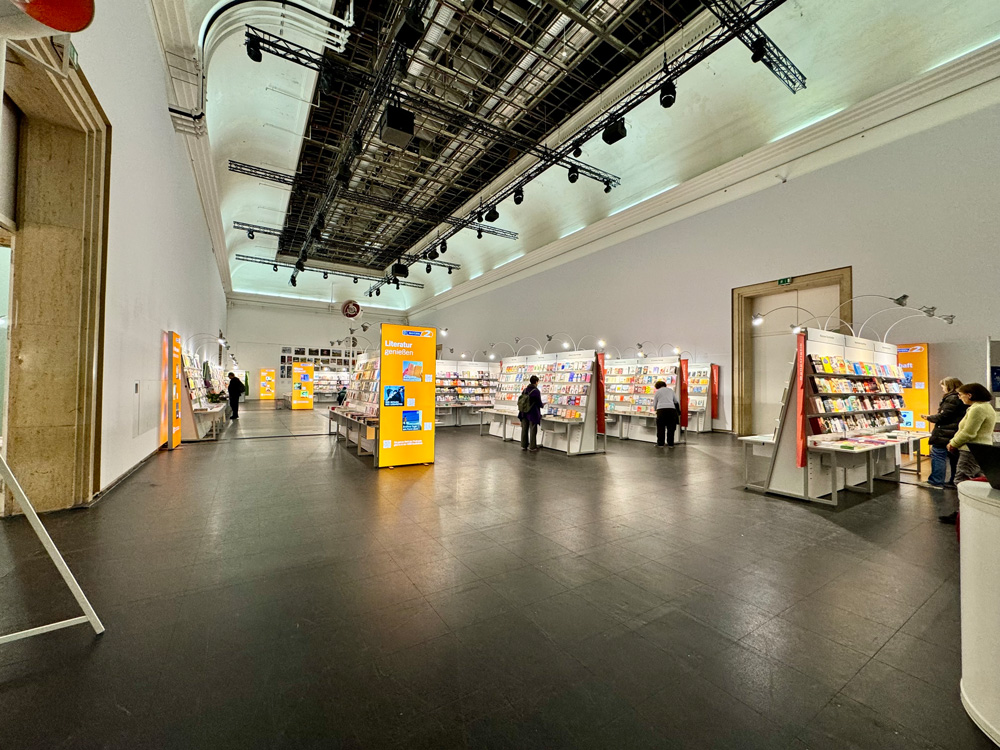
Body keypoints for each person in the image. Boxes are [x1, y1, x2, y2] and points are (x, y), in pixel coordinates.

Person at [939, 382, 997, 523]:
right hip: (979, 448)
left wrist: (953, 443)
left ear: (969, 395)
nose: (959, 397)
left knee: (961, 480)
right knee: (977, 477)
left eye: (961, 395)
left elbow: (969, 433)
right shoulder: (985, 407)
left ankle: (962, 513)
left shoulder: (977, 409)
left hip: (970, 450)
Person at [921, 377, 966, 489]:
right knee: (954, 458)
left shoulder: (951, 398)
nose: (943, 389)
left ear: (949, 386)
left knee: (938, 455)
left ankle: (936, 481)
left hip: (944, 433)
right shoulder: (960, 398)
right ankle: (954, 481)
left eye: (943, 386)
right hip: (954, 432)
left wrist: (929, 418)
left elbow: (944, 415)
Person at [517, 375, 543, 452]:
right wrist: (542, 405)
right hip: (532, 413)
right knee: (533, 430)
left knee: (524, 429)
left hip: (523, 412)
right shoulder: (536, 391)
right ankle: (532, 446)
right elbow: (539, 403)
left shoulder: (525, 390)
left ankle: (523, 445)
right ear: (536, 382)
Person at [653, 379, 681, 448]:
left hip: (661, 410)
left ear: (657, 386)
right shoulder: (671, 391)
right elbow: (676, 401)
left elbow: (655, 403)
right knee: (671, 428)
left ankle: (660, 444)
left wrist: (655, 409)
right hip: (671, 410)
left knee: (661, 428)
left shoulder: (657, 392)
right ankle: (671, 444)